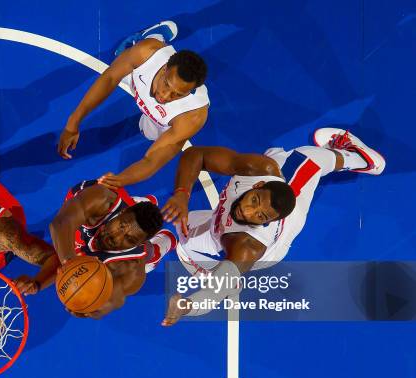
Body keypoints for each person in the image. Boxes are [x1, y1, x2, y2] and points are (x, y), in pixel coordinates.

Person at [161, 128, 386, 326]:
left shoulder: (248, 246)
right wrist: (182, 195)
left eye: (260, 215)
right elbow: (196, 155)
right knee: (276, 156)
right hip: (232, 217)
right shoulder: (259, 168)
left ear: (267, 221)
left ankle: (364, 159)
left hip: (272, 247)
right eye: (254, 201)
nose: (248, 212)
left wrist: (187, 306)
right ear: (258, 184)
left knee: (308, 159)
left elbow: (215, 293)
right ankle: (217, 268)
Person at [57, 21, 209, 189]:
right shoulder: (146, 54)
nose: (165, 96)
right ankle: (155, 35)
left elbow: (151, 161)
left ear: (191, 91)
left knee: (149, 133)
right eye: (166, 84)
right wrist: (74, 121)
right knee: (121, 62)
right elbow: (109, 78)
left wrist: (118, 180)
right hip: (140, 72)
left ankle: (148, 58)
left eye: (177, 94)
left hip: (164, 120)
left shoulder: (192, 116)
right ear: (165, 68)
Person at [50, 180, 176, 318]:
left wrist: (89, 307)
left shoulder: (132, 271)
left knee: (150, 253)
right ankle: (143, 202)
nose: (116, 238)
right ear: (123, 210)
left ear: (139, 243)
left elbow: (111, 301)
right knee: (135, 216)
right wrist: (69, 262)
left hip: (134, 250)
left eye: (130, 240)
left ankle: (163, 244)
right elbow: (60, 223)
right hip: (115, 205)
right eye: (121, 227)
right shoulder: (102, 199)